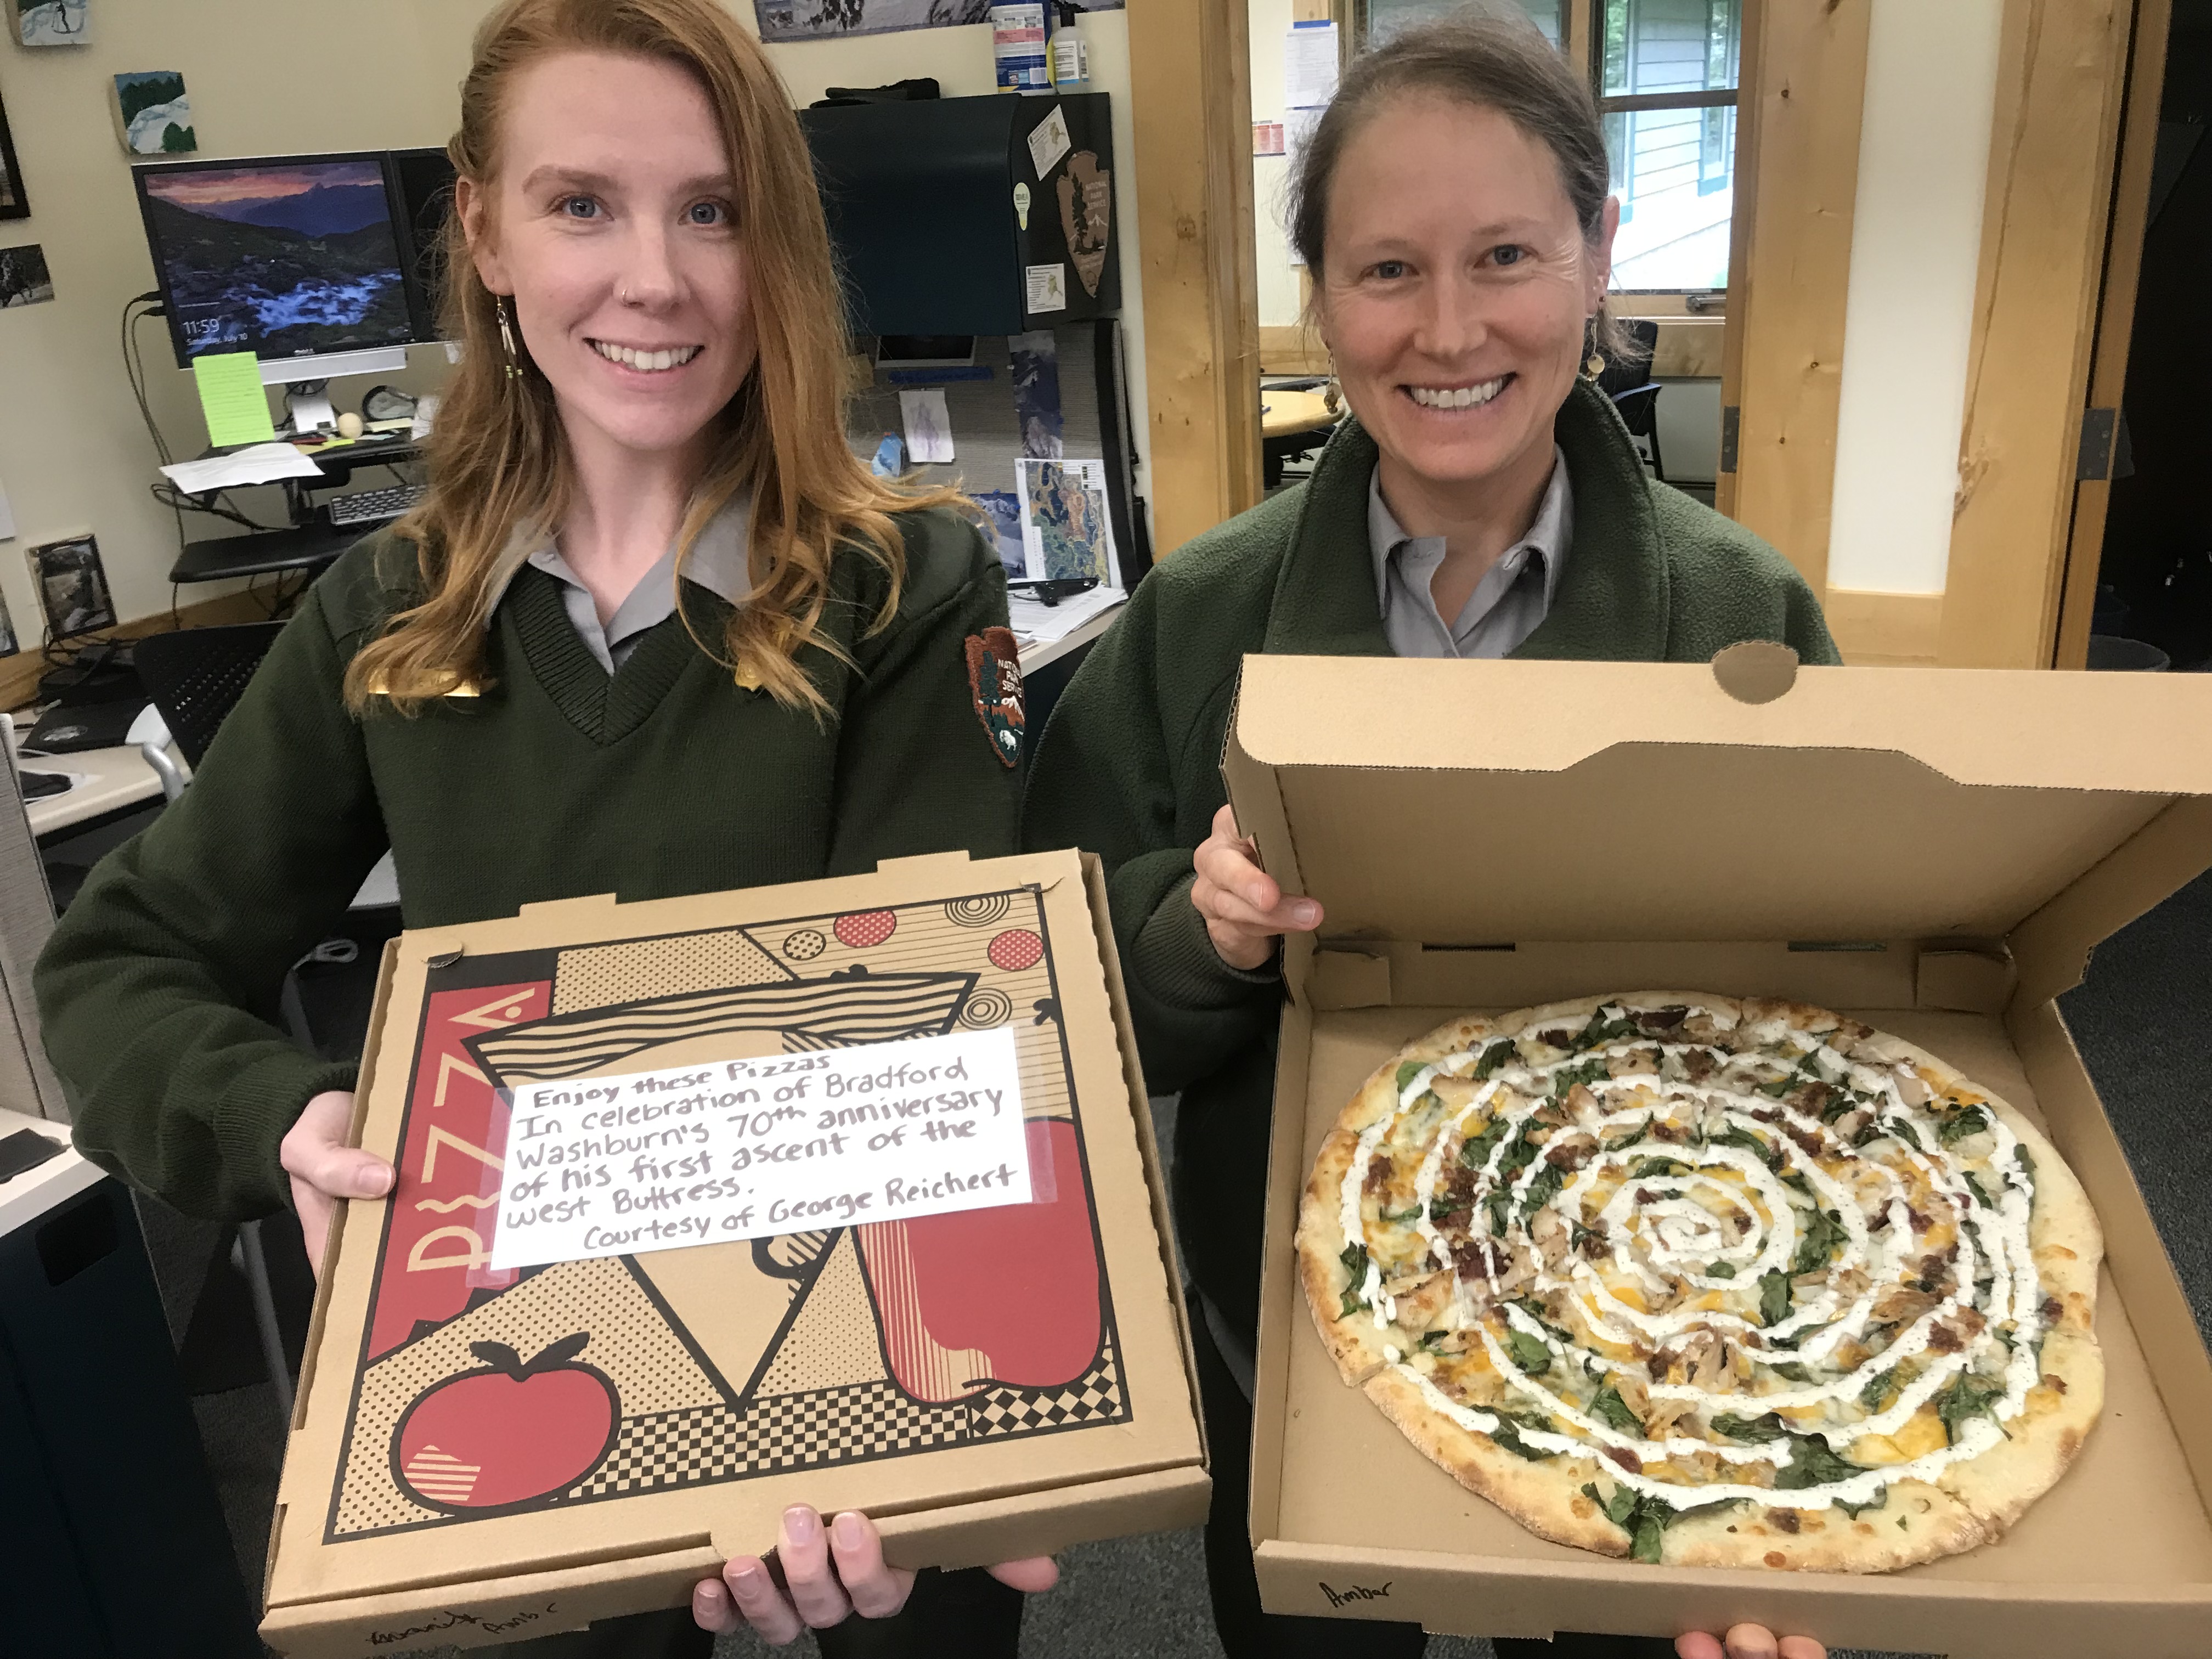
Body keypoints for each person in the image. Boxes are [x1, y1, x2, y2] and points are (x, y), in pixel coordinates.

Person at [35, 0, 1052, 1652]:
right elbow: (118, 965)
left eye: (711, 210)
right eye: (583, 203)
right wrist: (287, 1117)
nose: (654, 277)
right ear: (487, 226)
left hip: (856, 1420)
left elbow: (929, 1055)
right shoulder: (393, 612)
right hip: (530, 1418)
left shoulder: (909, 589)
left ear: (773, 246)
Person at [1022, 13, 1836, 1659]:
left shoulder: (1743, 620)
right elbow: (1053, 971)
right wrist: (1207, 926)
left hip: (1649, 1350)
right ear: (1317, 295)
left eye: (1509, 255)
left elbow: (1837, 1009)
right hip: (1301, 1326)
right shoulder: (1201, 621)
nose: (1449, 328)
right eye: (1385, 270)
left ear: (1600, 257)